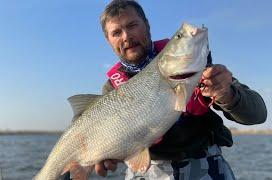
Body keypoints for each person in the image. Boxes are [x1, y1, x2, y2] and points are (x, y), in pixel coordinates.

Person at [95, 0, 267, 179]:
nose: (126, 36)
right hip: (145, 172)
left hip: (205, 166)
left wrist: (227, 94)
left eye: (132, 25)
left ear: (147, 25)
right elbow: (104, 137)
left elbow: (258, 114)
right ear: (108, 40)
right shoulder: (111, 89)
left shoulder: (189, 64)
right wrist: (103, 153)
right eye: (116, 32)